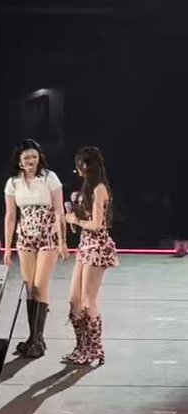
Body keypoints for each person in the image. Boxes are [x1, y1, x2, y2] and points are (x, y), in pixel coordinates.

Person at [3, 139, 66, 358]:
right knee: (29, 288)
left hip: (48, 236)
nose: (31, 161)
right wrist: (7, 248)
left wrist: (62, 242)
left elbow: (59, 211)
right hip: (25, 238)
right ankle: (33, 338)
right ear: (20, 161)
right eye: (27, 157)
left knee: (40, 287)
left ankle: (37, 340)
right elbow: (11, 216)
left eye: (34, 157)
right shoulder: (13, 182)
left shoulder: (49, 178)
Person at [64, 145, 118, 366]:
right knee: (74, 300)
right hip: (85, 246)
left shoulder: (99, 189)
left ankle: (95, 349)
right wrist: (75, 211)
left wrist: (74, 219)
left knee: (88, 301)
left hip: (97, 247)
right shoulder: (87, 187)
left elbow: (96, 225)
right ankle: (81, 346)